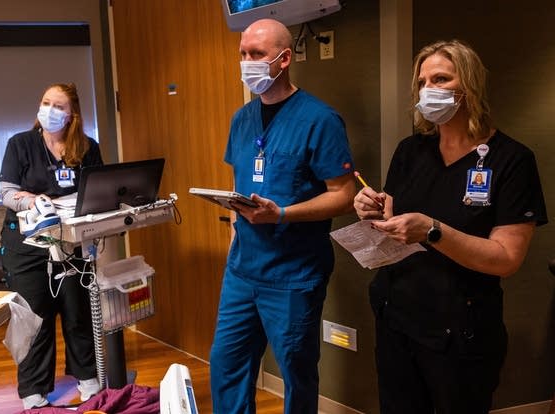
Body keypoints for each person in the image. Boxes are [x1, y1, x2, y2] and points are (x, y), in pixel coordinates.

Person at [353, 40, 547, 414]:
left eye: (441, 79)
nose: (428, 90)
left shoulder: (511, 160)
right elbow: (392, 218)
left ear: (469, 86)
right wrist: (372, 209)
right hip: (398, 317)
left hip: (461, 330)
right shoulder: (411, 151)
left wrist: (432, 230)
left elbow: (506, 259)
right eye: (423, 82)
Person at [209, 18, 357, 413]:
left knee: (297, 372)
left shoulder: (319, 119)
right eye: (242, 54)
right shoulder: (242, 119)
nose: (246, 62)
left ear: (284, 58)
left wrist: (283, 214)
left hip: (293, 275)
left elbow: (344, 197)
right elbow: (238, 186)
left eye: (256, 54)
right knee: (227, 367)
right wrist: (234, 240)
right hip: (242, 271)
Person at [0, 83, 104, 409]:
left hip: (72, 243)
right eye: (46, 102)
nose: (50, 110)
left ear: (72, 115)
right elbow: (7, 193)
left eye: (59, 106)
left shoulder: (87, 147)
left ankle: (87, 378)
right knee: (34, 317)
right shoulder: (21, 144)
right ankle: (33, 389)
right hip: (27, 244)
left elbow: (99, 191)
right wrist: (33, 200)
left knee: (78, 313)